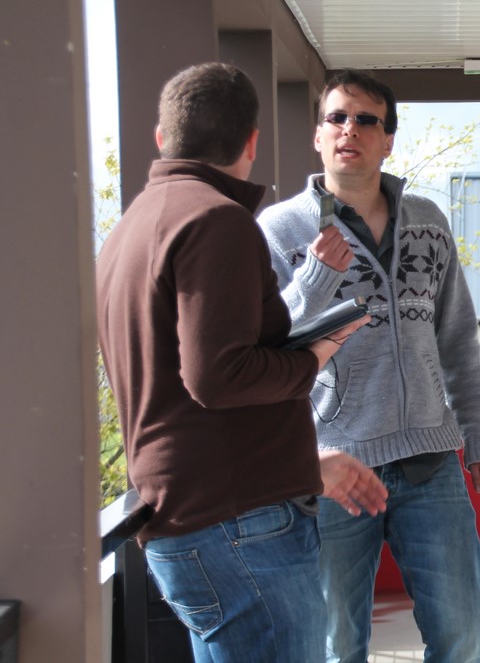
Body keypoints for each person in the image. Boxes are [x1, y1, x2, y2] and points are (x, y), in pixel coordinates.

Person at [96, 62, 388, 663]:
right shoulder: (216, 220)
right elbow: (218, 377)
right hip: (239, 531)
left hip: (194, 516)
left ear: (162, 137)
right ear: (252, 142)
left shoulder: (132, 226)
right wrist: (312, 357)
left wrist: (303, 463)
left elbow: (184, 391)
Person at [257, 69, 480, 663]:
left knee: (462, 635)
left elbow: (458, 341)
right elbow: (264, 347)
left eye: (367, 120)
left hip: (429, 463)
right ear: (318, 135)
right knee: (337, 646)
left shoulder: (428, 222)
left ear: (388, 140)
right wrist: (315, 278)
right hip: (334, 469)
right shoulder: (280, 230)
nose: (350, 129)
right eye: (337, 118)